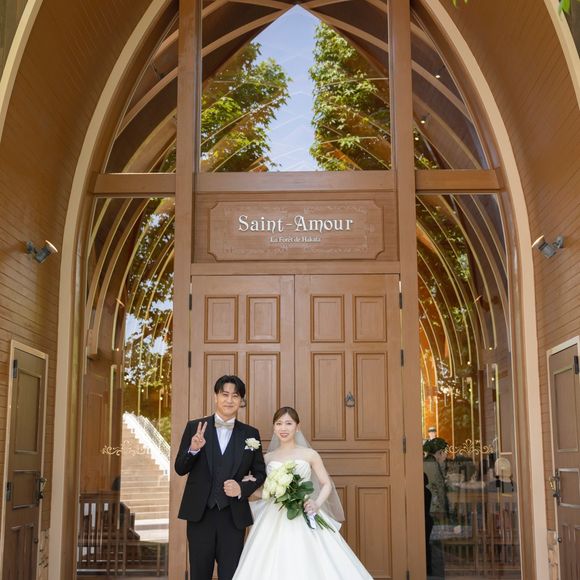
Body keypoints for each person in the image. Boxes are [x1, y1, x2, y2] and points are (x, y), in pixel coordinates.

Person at [232, 407, 372, 580]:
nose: (283, 428)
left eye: (288, 423)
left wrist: (316, 503)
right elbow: (265, 493)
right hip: (273, 514)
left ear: (297, 427)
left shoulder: (310, 454)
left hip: (304, 510)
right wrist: (249, 486)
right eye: (279, 424)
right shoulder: (267, 458)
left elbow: (326, 484)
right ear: (274, 428)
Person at [174, 375, 266, 580]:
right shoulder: (195, 427)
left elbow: (260, 473)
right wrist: (193, 449)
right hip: (200, 514)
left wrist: (242, 488)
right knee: (199, 574)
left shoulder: (251, 434)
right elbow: (180, 468)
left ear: (241, 401)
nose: (229, 400)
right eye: (225, 394)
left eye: (235, 396)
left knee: (231, 574)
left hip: (233, 517)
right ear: (216, 397)